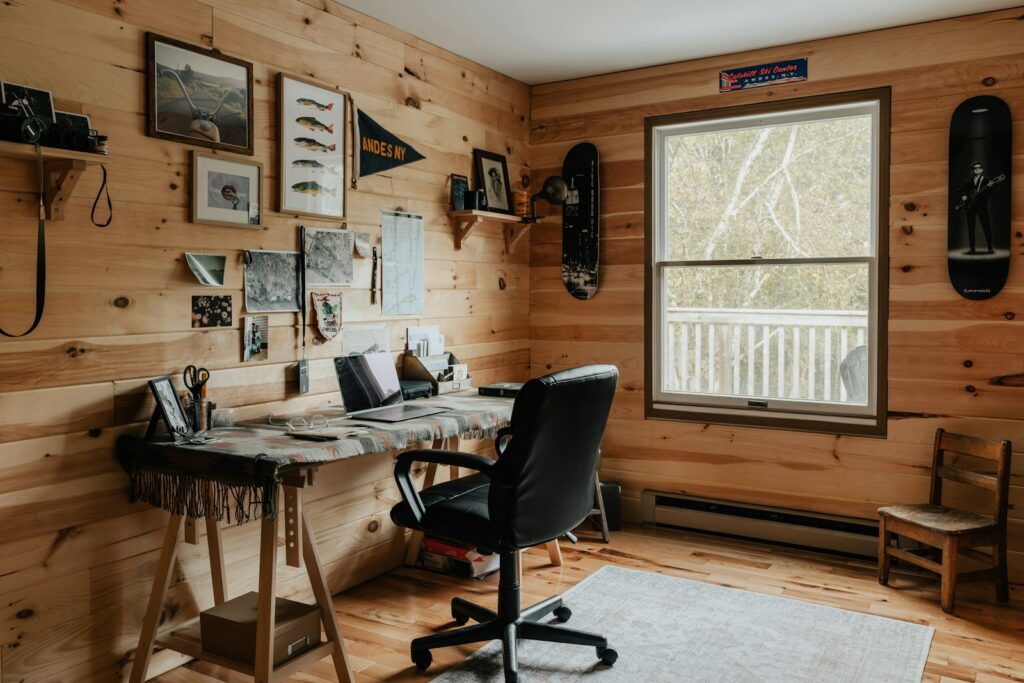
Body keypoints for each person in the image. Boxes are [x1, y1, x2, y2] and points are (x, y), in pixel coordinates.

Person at [958, 161, 994, 254]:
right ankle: (972, 249)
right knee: (971, 228)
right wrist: (963, 195)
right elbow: (960, 191)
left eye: (978, 167)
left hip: (982, 207)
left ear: (982, 169)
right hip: (970, 207)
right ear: (972, 171)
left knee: (986, 226)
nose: (977, 169)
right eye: (975, 168)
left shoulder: (987, 181)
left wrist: (989, 187)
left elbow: (990, 193)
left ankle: (990, 248)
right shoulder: (968, 182)